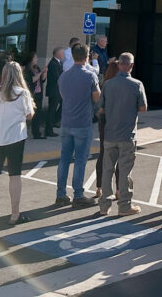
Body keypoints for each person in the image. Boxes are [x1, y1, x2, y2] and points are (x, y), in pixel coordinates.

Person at [0, 61, 35, 225]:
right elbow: (29, 115)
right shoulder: (22, 93)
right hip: (15, 137)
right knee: (15, 174)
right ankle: (14, 214)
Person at [97, 52, 147, 215]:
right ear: (131, 66)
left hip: (110, 133)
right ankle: (124, 205)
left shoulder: (108, 84)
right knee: (125, 172)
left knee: (107, 170)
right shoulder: (137, 84)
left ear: (119, 65)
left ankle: (104, 206)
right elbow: (143, 108)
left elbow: (101, 109)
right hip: (127, 134)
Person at [55, 44, 101, 209]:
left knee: (64, 159)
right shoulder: (90, 76)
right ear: (87, 56)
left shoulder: (64, 76)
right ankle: (78, 194)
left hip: (67, 122)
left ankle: (60, 194)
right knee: (80, 159)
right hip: (82, 122)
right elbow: (97, 98)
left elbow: (63, 95)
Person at [94, 60, 120, 199]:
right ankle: (119, 190)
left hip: (103, 121)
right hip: (116, 122)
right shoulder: (118, 85)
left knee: (103, 153)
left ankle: (99, 187)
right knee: (120, 155)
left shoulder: (104, 85)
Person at [23, 52, 45, 139]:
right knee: (29, 113)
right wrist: (40, 74)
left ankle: (37, 133)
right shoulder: (27, 70)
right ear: (31, 59)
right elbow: (32, 80)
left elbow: (42, 80)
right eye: (35, 58)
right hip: (32, 94)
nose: (37, 59)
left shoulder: (37, 68)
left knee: (38, 114)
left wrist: (44, 73)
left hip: (39, 93)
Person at [45, 47, 64, 137]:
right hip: (54, 90)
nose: (63, 55)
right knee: (52, 110)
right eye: (62, 53)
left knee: (63, 104)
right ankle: (49, 129)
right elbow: (57, 77)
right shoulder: (53, 63)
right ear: (58, 54)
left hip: (57, 90)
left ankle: (54, 121)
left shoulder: (58, 63)